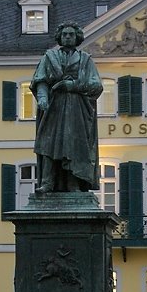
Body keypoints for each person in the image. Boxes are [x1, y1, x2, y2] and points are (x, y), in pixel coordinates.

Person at [30, 21, 103, 193]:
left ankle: (74, 184)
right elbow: (40, 80)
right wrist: (42, 98)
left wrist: (72, 86)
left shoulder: (86, 60)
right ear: (60, 37)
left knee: (74, 146)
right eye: (65, 34)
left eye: (71, 34)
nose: (68, 37)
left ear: (77, 37)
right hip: (53, 106)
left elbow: (96, 85)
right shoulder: (49, 57)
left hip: (77, 109)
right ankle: (47, 182)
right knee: (47, 143)